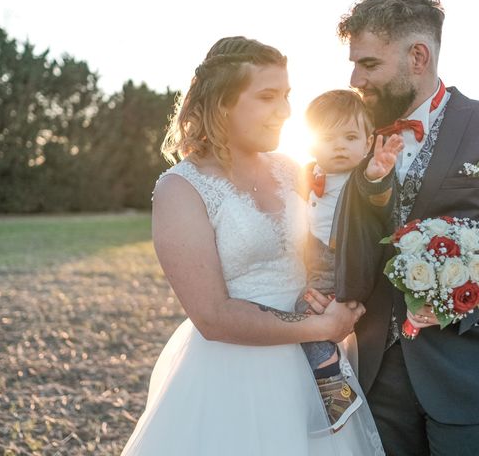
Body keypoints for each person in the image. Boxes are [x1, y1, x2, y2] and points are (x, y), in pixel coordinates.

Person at [318, 0, 479, 455]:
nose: (355, 80)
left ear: (419, 57)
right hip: (377, 382)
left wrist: (467, 296)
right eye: (353, 64)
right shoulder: (357, 140)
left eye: (368, 64)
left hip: (472, 383)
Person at [120, 36, 384, 455]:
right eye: (267, 97)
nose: (285, 111)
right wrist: (320, 327)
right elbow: (212, 315)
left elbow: (332, 240)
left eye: (286, 96)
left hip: (317, 367)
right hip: (233, 375)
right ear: (222, 102)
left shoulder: (292, 170)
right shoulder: (181, 188)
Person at [293, 90, 376, 430]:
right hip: (317, 263)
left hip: (345, 262)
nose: (339, 146)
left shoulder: (367, 178)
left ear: (368, 142)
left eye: (351, 137)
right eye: (328, 138)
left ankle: (335, 390)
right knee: (304, 311)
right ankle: (327, 383)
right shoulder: (308, 177)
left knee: (304, 316)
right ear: (310, 143)